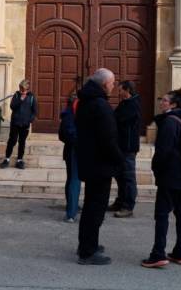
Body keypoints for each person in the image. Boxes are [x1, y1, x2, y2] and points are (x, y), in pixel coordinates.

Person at [142, 87, 181, 269]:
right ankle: (180, 252)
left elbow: (163, 151)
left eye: (164, 100)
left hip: (170, 176)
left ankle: (158, 254)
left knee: (162, 215)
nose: (161, 103)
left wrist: (156, 169)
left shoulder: (170, 122)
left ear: (173, 104)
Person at [75, 68, 122, 265]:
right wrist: (119, 161)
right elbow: (108, 139)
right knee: (95, 208)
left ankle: (87, 244)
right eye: (112, 83)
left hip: (89, 161)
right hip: (100, 164)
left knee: (90, 207)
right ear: (104, 84)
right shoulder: (100, 105)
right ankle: (87, 251)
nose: (113, 86)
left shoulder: (86, 100)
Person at [109, 80, 141, 218]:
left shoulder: (133, 105)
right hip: (120, 146)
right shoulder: (125, 103)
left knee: (128, 177)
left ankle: (128, 206)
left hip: (128, 147)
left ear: (127, 90)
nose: (119, 92)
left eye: (121, 90)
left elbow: (119, 120)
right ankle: (120, 201)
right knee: (120, 175)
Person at [0, 79, 38, 170]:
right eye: (20, 89)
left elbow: (34, 111)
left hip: (25, 124)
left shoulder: (32, 97)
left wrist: (30, 120)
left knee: (22, 142)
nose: (21, 91)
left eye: (23, 89)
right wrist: (20, 100)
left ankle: (19, 160)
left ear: (27, 89)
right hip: (15, 123)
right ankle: (7, 159)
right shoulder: (16, 95)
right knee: (12, 140)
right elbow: (12, 106)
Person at [59, 95, 81, 223]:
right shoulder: (74, 113)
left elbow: (62, 135)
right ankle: (71, 211)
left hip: (70, 149)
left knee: (71, 178)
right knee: (75, 179)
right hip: (77, 149)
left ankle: (71, 207)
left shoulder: (67, 113)